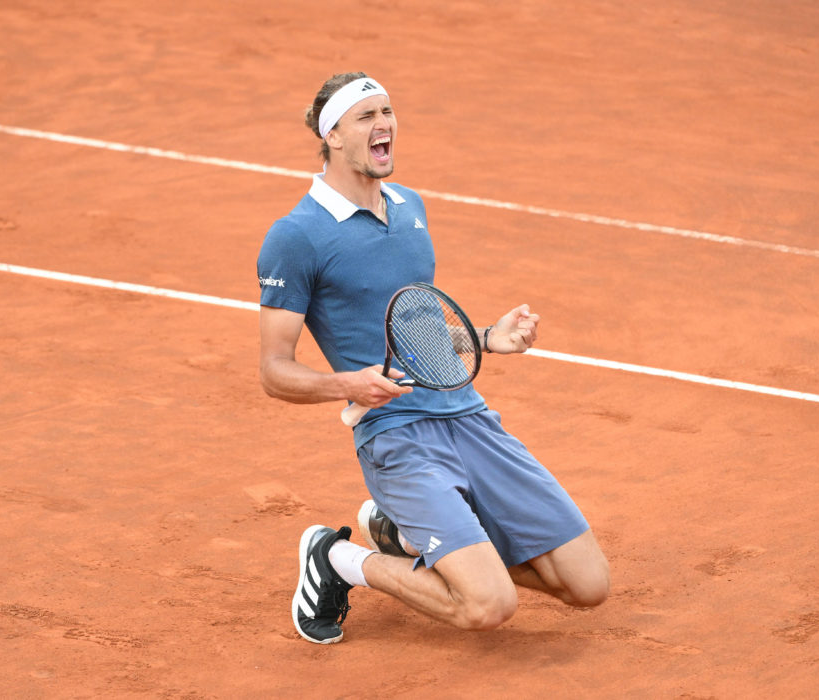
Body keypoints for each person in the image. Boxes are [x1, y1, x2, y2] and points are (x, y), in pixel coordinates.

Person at [257, 72, 610, 644]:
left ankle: (402, 538)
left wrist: (488, 337)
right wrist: (351, 383)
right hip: (399, 437)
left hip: (470, 417)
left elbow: (417, 326)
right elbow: (274, 370)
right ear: (335, 139)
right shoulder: (296, 236)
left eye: (388, 111)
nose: (384, 124)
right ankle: (338, 559)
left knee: (588, 585)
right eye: (366, 116)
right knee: (488, 605)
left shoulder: (410, 207)